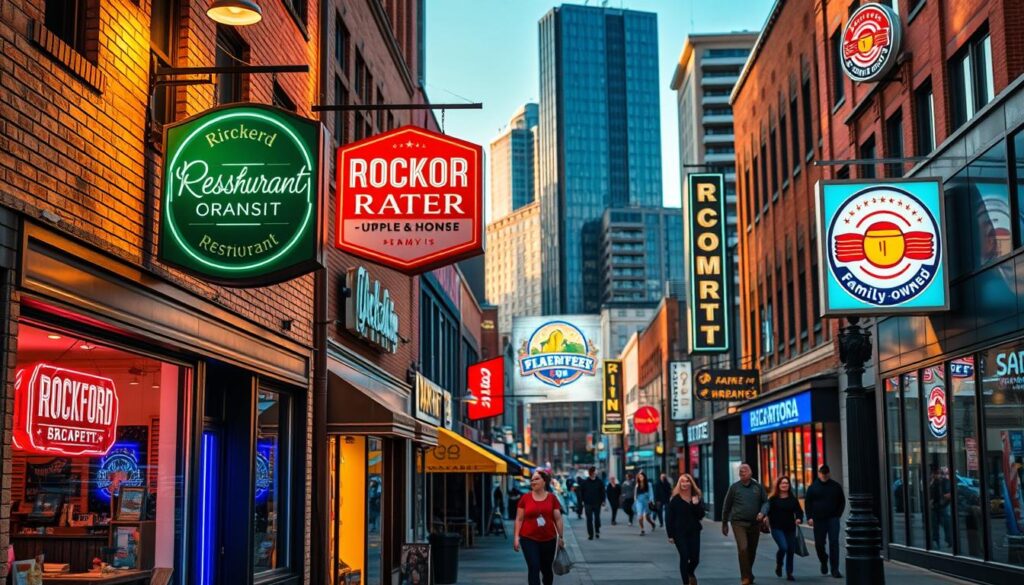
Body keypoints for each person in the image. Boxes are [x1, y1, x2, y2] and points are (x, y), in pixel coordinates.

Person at [514, 471, 565, 585]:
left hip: (548, 540)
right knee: (534, 566)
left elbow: (558, 519)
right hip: (528, 538)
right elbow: (519, 519)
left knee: (547, 570)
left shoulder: (552, 498)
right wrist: (516, 537)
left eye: (536, 479)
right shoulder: (525, 498)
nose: (533, 481)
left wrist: (560, 537)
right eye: (532, 480)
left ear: (544, 481)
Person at [721, 463, 768, 585]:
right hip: (738, 523)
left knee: (751, 550)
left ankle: (748, 573)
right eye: (740, 470)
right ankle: (745, 577)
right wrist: (724, 523)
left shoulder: (758, 487)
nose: (742, 471)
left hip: (755, 524)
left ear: (751, 473)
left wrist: (762, 513)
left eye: (745, 470)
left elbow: (766, 502)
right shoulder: (734, 488)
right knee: (743, 548)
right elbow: (726, 506)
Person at [805, 464, 846, 578]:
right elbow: (808, 504)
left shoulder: (836, 486)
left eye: (826, 473)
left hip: (833, 518)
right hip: (818, 520)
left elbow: (842, 502)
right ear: (819, 473)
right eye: (822, 473)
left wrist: (838, 515)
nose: (824, 475)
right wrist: (809, 517)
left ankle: (835, 569)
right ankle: (824, 560)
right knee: (819, 544)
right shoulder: (813, 487)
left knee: (834, 543)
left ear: (829, 473)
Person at [763, 476, 804, 581]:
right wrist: (764, 517)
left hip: (790, 528)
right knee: (783, 547)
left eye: (786, 483)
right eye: (782, 483)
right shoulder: (773, 499)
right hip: (777, 528)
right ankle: (779, 563)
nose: (784, 485)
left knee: (790, 550)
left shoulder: (793, 499)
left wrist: (799, 519)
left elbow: (799, 511)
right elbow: (767, 510)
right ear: (778, 485)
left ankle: (789, 573)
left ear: (789, 485)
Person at [666, 473, 704, 585]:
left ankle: (690, 572)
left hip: (694, 531)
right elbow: (669, 518)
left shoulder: (696, 497)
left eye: (687, 481)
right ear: (679, 484)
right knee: (684, 556)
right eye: (682, 481)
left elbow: (700, 515)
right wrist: (670, 535)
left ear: (691, 483)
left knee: (695, 559)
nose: (685, 483)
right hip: (679, 533)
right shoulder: (675, 499)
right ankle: (686, 582)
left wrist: (696, 504)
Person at [928, 463, 953, 550]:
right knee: (936, 524)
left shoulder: (943, 482)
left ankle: (948, 540)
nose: (935, 475)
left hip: (942, 506)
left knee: (945, 523)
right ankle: (938, 540)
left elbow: (948, 495)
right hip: (936, 506)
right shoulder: (932, 482)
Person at [579, 466, 606, 540]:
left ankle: (597, 530)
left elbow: (603, 492)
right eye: (594, 471)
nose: (595, 473)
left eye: (596, 471)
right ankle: (590, 534)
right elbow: (581, 492)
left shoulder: (599, 482)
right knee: (589, 519)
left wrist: (603, 501)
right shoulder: (585, 482)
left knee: (597, 518)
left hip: (597, 503)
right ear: (591, 472)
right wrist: (582, 501)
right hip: (588, 503)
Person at [634, 470, 656, 535]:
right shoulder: (637, 485)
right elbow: (635, 494)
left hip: (647, 501)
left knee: (647, 517)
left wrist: (651, 500)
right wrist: (635, 501)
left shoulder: (649, 484)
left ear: (644, 477)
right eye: (639, 477)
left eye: (642, 476)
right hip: (639, 501)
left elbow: (651, 493)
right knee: (640, 516)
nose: (640, 478)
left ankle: (652, 524)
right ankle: (642, 529)